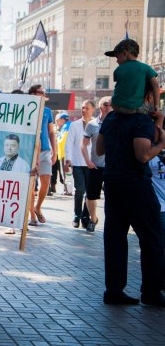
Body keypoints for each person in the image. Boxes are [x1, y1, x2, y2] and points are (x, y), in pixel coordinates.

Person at [97, 107, 165, 306]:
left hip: (113, 182)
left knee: (115, 238)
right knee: (152, 238)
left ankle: (114, 290)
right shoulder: (141, 120)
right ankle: (151, 292)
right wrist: (161, 142)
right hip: (136, 184)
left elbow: (99, 149)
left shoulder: (111, 118)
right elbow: (143, 155)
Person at [81, 96, 112, 233]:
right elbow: (84, 145)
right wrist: (88, 161)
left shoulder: (117, 123)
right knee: (91, 195)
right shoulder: (92, 124)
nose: (113, 107)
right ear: (103, 107)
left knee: (113, 196)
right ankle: (93, 219)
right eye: (110, 105)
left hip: (112, 167)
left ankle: (111, 221)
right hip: (96, 166)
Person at [27, 85, 57, 226]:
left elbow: (51, 132)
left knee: (46, 184)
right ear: (33, 94)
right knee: (31, 187)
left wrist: (54, 151)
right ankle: (32, 215)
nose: (44, 95)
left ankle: (38, 207)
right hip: (30, 152)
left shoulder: (47, 111)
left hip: (45, 151)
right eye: (41, 93)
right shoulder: (26, 109)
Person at [105, 39, 160, 116]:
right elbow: (156, 86)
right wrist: (156, 105)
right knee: (159, 116)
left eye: (117, 57)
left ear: (125, 53)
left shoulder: (118, 69)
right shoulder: (146, 68)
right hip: (137, 108)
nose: (116, 61)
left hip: (118, 107)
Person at [65, 100, 94, 229]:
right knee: (80, 190)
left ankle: (85, 217)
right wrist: (68, 159)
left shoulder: (97, 124)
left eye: (87, 108)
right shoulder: (74, 125)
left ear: (92, 109)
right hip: (77, 162)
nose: (84, 110)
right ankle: (77, 215)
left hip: (92, 164)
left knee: (90, 192)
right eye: (82, 108)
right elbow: (69, 142)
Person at [53, 112, 71, 195]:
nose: (56, 122)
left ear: (63, 119)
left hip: (64, 153)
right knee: (68, 173)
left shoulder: (65, 127)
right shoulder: (68, 125)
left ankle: (67, 190)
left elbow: (61, 141)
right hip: (66, 153)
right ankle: (68, 190)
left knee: (66, 173)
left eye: (58, 120)